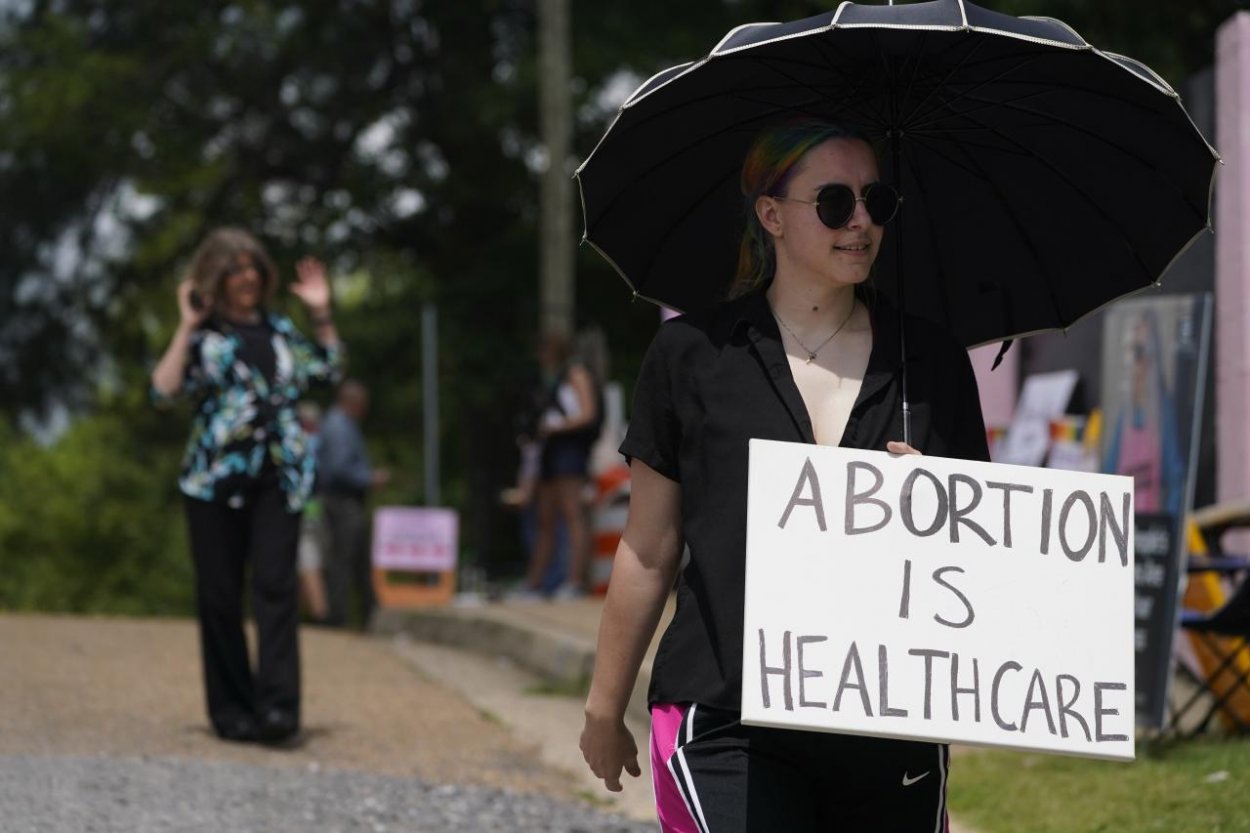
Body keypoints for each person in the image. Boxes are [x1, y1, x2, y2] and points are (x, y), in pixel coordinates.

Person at [579, 120, 990, 832]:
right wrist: (603, 706)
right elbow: (649, 546)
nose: (861, 221)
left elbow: (983, 554)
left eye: (877, 200)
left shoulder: (932, 362)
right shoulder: (690, 354)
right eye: (834, 202)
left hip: (888, 717)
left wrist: (942, 504)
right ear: (771, 215)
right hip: (725, 709)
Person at [151, 228, 342, 744]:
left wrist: (322, 313)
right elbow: (164, 391)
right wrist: (186, 325)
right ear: (216, 277)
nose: (247, 277)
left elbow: (328, 371)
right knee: (219, 594)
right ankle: (232, 708)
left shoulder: (280, 331)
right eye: (235, 269)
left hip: (280, 476)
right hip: (214, 480)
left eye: (254, 266)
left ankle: (279, 709)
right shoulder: (205, 337)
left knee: (276, 586)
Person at [518, 332, 602, 599]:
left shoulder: (576, 372)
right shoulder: (549, 378)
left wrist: (557, 426)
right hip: (550, 450)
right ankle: (535, 582)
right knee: (545, 517)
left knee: (572, 513)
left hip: (569, 450)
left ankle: (574, 581)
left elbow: (588, 414)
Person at [317, 379, 389, 627]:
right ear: (354, 402)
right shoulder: (339, 426)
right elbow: (339, 469)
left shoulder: (339, 423)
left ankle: (366, 614)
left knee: (355, 559)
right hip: (342, 501)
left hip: (343, 501)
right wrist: (369, 478)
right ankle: (338, 618)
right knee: (344, 560)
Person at [296, 401, 330, 624]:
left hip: (302, 508)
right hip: (317, 507)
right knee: (306, 561)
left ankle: (320, 612)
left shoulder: (301, 443)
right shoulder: (323, 442)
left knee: (307, 560)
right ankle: (302, 613)